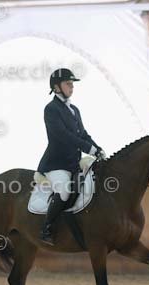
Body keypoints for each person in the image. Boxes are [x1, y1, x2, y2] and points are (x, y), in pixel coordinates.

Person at [37, 68, 107, 245]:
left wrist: (98, 149)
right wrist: (89, 149)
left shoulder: (74, 109)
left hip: (73, 163)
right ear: (56, 87)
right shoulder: (51, 109)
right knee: (64, 190)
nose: (72, 87)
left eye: (72, 84)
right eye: (68, 84)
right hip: (56, 164)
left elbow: (83, 134)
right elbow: (64, 136)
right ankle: (46, 228)